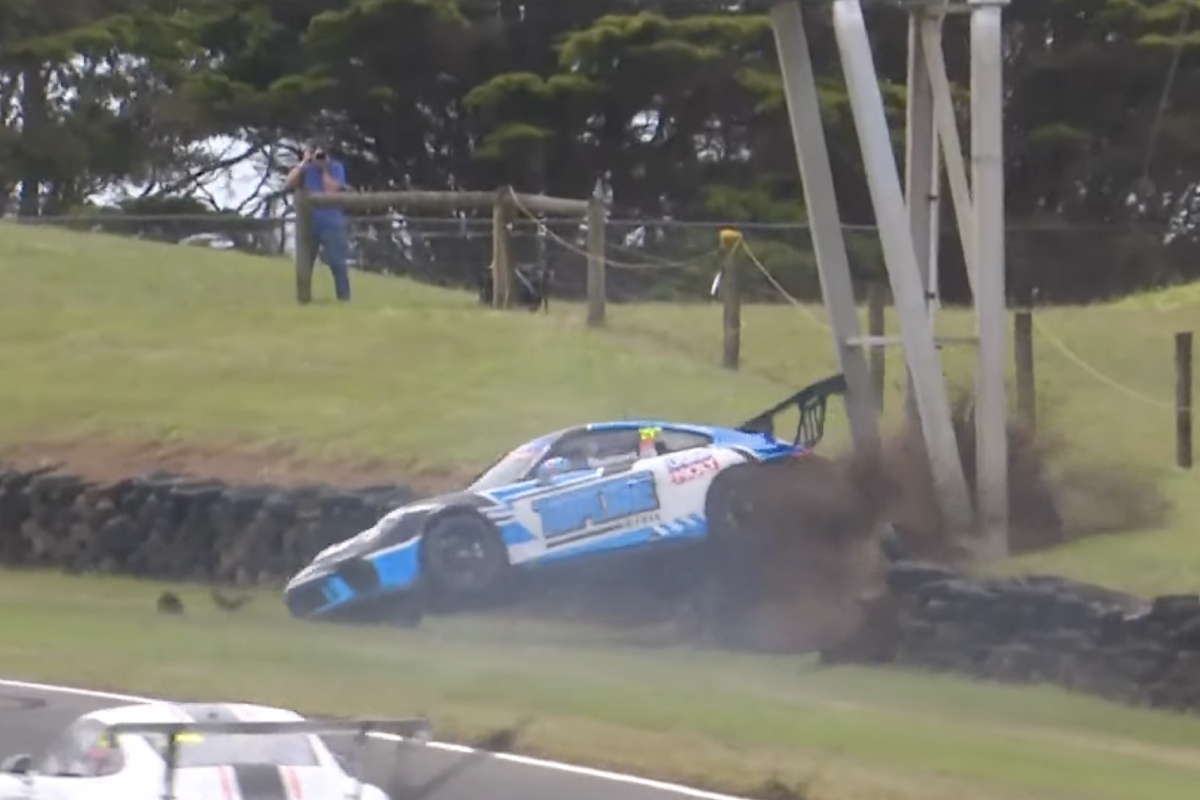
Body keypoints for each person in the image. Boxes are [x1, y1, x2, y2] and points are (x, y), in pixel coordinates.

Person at [286, 143, 351, 303]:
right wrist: (304, 163)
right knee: (305, 265)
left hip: (332, 223)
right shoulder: (305, 169)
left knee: (337, 263)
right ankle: (304, 300)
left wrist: (323, 170)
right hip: (308, 224)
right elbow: (290, 183)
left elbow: (332, 190)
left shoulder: (336, 167)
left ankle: (344, 299)